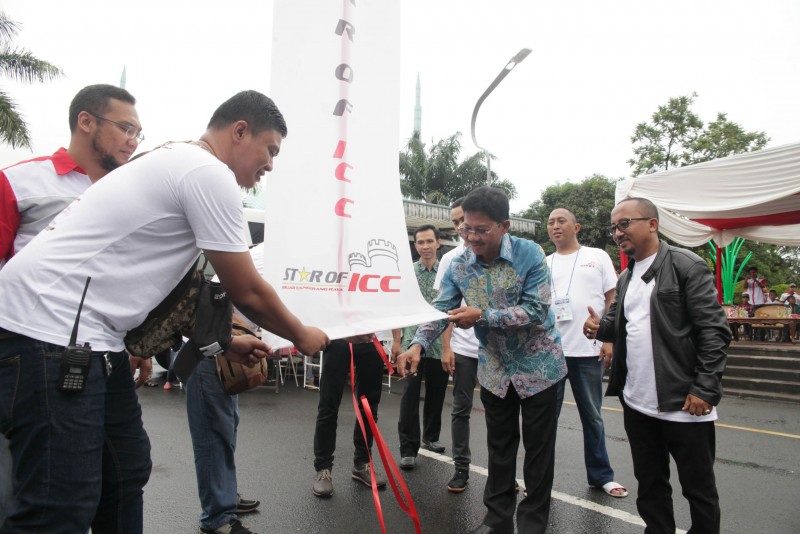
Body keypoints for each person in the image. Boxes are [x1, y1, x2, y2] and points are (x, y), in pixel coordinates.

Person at [0, 90, 329, 534]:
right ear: (239, 131)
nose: (270, 164)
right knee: (58, 504)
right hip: (48, 333)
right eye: (269, 149)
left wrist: (223, 341)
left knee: (125, 471)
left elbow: (173, 294)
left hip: (93, 340)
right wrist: (301, 333)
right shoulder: (206, 172)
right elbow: (247, 290)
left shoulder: (178, 161)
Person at [0, 84, 143, 529]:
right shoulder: (20, 180)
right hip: (38, 351)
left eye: (139, 133)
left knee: (126, 475)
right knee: (55, 499)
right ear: (86, 121)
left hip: (108, 352)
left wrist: (137, 344)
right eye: (125, 128)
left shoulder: (131, 191)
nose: (133, 141)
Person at [397, 186, 567, 534]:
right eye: (466, 228)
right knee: (499, 449)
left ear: (504, 225)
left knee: (538, 452)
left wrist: (483, 316)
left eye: (481, 229)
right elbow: (441, 309)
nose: (471, 237)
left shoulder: (530, 254)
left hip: (540, 368)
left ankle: (532, 525)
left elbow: (537, 309)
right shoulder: (459, 264)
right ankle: (497, 521)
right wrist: (417, 344)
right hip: (494, 370)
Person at [584, 197, 730, 534]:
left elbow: (714, 331)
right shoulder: (627, 276)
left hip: (684, 402)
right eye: (614, 227)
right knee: (650, 485)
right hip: (638, 402)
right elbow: (621, 324)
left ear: (652, 224)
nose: (618, 233)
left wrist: (704, 388)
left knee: (698, 489)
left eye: (625, 224)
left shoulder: (686, 266)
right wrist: (599, 327)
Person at [545, 208, 627, 498]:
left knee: (592, 417)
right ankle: (540, 479)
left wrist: (608, 338)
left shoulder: (597, 256)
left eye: (561, 221)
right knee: (546, 421)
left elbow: (612, 298)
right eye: (551, 222)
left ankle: (602, 476)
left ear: (576, 227)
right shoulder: (544, 263)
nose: (555, 226)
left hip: (589, 351)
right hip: (551, 353)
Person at [392, 224, 450, 470]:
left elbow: (448, 312)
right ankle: (408, 449)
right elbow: (397, 308)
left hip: (438, 345)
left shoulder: (446, 273)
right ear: (415, 246)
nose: (425, 246)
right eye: (420, 242)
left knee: (437, 394)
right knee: (409, 397)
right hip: (410, 345)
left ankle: (431, 437)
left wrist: (447, 347)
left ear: (438, 243)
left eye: (429, 241)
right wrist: (396, 341)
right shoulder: (407, 273)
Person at [432, 198, 480, 493]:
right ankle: (461, 468)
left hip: (495, 349)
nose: (461, 226)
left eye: (464, 218)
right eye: (455, 222)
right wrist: (446, 347)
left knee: (502, 413)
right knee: (461, 409)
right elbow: (445, 308)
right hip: (463, 349)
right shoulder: (450, 259)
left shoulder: (499, 252)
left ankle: (505, 473)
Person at [312, 339, 387, 498]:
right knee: (328, 405)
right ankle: (323, 469)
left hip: (371, 338)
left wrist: (397, 341)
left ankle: (362, 463)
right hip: (340, 337)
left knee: (369, 407)